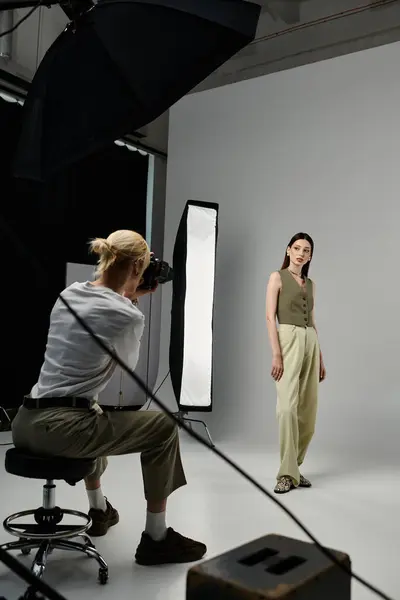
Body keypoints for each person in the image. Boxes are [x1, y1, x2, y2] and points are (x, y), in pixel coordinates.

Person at [11, 229, 206, 566]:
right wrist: (131, 301)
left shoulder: (68, 294)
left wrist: (125, 292)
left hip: (24, 421)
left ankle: (99, 510)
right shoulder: (127, 314)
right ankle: (156, 539)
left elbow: (98, 295)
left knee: (93, 410)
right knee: (162, 426)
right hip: (62, 429)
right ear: (136, 269)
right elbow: (125, 368)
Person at [265, 233, 326, 495]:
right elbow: (269, 317)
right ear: (288, 250)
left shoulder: (310, 284)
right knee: (287, 409)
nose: (301, 253)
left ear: (310, 256)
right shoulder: (276, 277)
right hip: (287, 338)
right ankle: (286, 473)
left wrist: (320, 356)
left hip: (310, 341)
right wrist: (276, 353)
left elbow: (312, 322)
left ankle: (295, 468)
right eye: (297, 248)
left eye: (306, 250)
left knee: (308, 413)